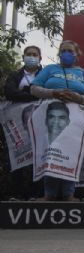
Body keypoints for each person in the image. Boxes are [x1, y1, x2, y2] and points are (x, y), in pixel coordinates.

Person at [30, 40, 84, 202]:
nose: (66, 53)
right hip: (51, 117)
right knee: (51, 153)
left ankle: (69, 194)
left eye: (70, 51)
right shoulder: (49, 70)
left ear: (76, 55)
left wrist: (79, 98)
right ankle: (49, 194)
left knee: (70, 153)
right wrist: (53, 93)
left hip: (75, 121)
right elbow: (34, 88)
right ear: (59, 53)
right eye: (63, 50)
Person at [4, 45, 43, 201]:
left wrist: (24, 93)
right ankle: (17, 194)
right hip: (16, 123)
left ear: (40, 58)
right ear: (23, 57)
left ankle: (35, 193)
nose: (31, 57)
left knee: (37, 157)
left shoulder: (44, 74)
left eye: (35, 54)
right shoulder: (15, 75)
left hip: (38, 121)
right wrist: (32, 94)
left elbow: (47, 90)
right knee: (17, 156)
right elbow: (10, 92)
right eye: (28, 54)